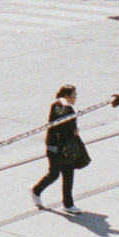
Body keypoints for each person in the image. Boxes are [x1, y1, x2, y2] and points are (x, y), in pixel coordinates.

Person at [31, 84, 85, 214]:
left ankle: (68, 204)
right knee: (54, 174)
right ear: (66, 96)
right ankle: (36, 190)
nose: (75, 98)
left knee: (68, 175)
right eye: (73, 95)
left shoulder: (67, 108)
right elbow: (60, 119)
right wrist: (64, 102)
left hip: (67, 147)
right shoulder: (57, 106)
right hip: (55, 147)